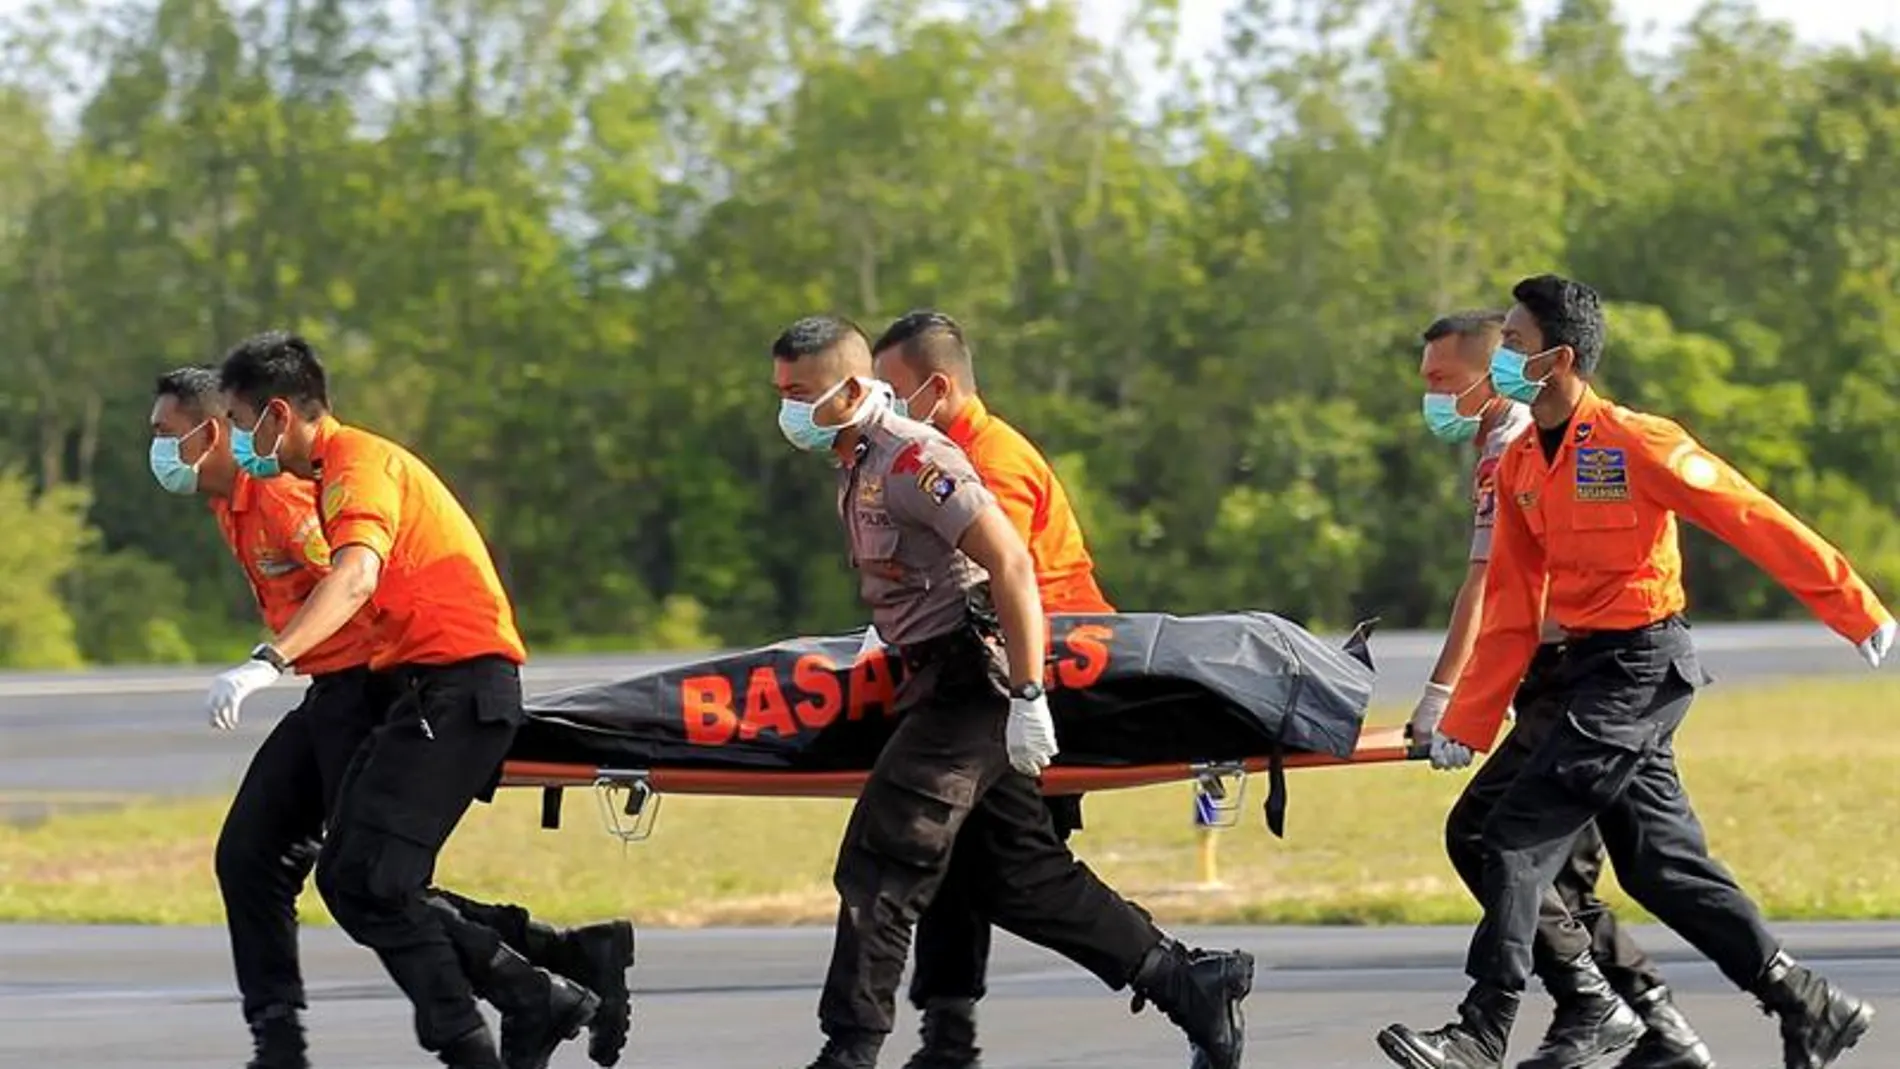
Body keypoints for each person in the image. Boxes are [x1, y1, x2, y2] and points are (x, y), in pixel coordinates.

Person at [1378, 275, 1893, 1069]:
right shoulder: (1519, 465)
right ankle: (1809, 1003)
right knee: (1661, 868)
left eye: (1515, 344)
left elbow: (1751, 515)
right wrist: (1468, 718)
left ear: (1562, 357)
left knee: (1508, 836)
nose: (1504, 357)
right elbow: (1511, 606)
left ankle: (1482, 1029)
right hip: (1587, 672)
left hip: (1641, 666)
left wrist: (1855, 609)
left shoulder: (1636, 440)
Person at [770, 315, 1254, 1069]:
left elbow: (1012, 569)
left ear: (855, 388)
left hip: (977, 682)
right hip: (938, 673)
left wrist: (1027, 695)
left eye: (800, 391)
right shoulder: (861, 461)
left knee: (884, 860)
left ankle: (850, 1051)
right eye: (781, 392)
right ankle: (1190, 980)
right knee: (1016, 873)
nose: (787, 408)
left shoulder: (920, 458)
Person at [152, 365, 636, 1069]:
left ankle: (534, 983)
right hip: (335, 688)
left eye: (168, 433)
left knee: (373, 880)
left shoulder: (289, 494)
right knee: (267, 857)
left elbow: (354, 585)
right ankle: (283, 1037)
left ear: (219, 428)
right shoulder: (231, 501)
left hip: (369, 687)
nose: (159, 450)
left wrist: (269, 661)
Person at [1411, 312, 1713, 1069]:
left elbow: (1488, 587)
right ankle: (1657, 1025)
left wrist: (1444, 693)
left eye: (1443, 381)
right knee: (1562, 874)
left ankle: (1570, 1010)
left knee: (1493, 839)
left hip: (1581, 675)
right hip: (1582, 674)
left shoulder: (1515, 441)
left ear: (1488, 369)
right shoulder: (1506, 441)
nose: (1431, 398)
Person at [869, 309, 1112, 1069]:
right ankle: (949, 1035)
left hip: (1040, 675)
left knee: (1015, 873)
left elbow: (996, 587)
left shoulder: (986, 458)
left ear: (936, 388)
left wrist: (1025, 699)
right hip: (1003, 671)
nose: (880, 405)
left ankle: (1186, 978)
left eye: (890, 389)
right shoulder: (946, 450)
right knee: (963, 858)